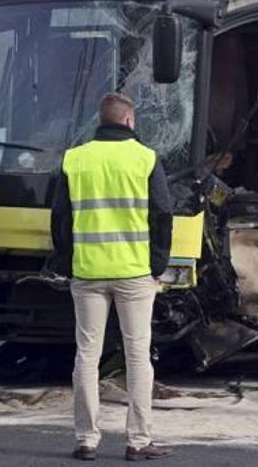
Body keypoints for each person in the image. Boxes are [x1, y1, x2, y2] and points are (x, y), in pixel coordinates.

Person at [51, 92, 173, 461]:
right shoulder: (146, 159)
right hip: (134, 273)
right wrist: (157, 263)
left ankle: (86, 439)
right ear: (129, 121)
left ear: (100, 121)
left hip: (88, 272)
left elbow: (59, 219)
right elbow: (163, 214)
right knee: (138, 356)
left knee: (87, 355)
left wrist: (67, 262)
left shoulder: (75, 159)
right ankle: (138, 441)